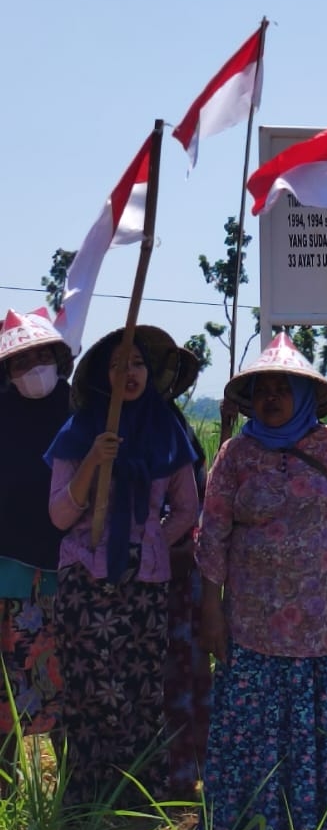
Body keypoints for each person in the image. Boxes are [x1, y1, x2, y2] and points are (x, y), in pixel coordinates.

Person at [198, 333, 327, 830]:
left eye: (282, 387)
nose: (271, 397)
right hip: (251, 626)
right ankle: (250, 820)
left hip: (322, 625)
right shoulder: (235, 454)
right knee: (251, 730)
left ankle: (318, 820)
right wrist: (211, 611)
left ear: (303, 396)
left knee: (315, 729)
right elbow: (211, 535)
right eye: (263, 389)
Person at [46, 326, 200, 805]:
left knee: (138, 691)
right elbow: (59, 515)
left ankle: (135, 794)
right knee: (87, 688)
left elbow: (188, 508)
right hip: (83, 577)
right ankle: (86, 795)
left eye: (136, 363)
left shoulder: (166, 431)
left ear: (149, 374)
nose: (128, 373)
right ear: (102, 376)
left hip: (145, 581)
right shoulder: (78, 432)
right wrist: (93, 460)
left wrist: (151, 538)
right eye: (117, 365)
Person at [0, 309, 72, 780]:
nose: (34, 369)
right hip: (8, 571)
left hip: (73, 571)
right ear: (7, 372)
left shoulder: (82, 411)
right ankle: (5, 785)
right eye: (22, 361)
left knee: (69, 684)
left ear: (61, 361)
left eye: (43, 356)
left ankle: (73, 786)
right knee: (5, 687)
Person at [162, 361, 214, 799]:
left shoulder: (177, 426)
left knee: (191, 670)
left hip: (186, 566)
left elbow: (198, 497)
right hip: (148, 571)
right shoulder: (127, 428)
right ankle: (173, 772)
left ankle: (194, 769)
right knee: (165, 674)